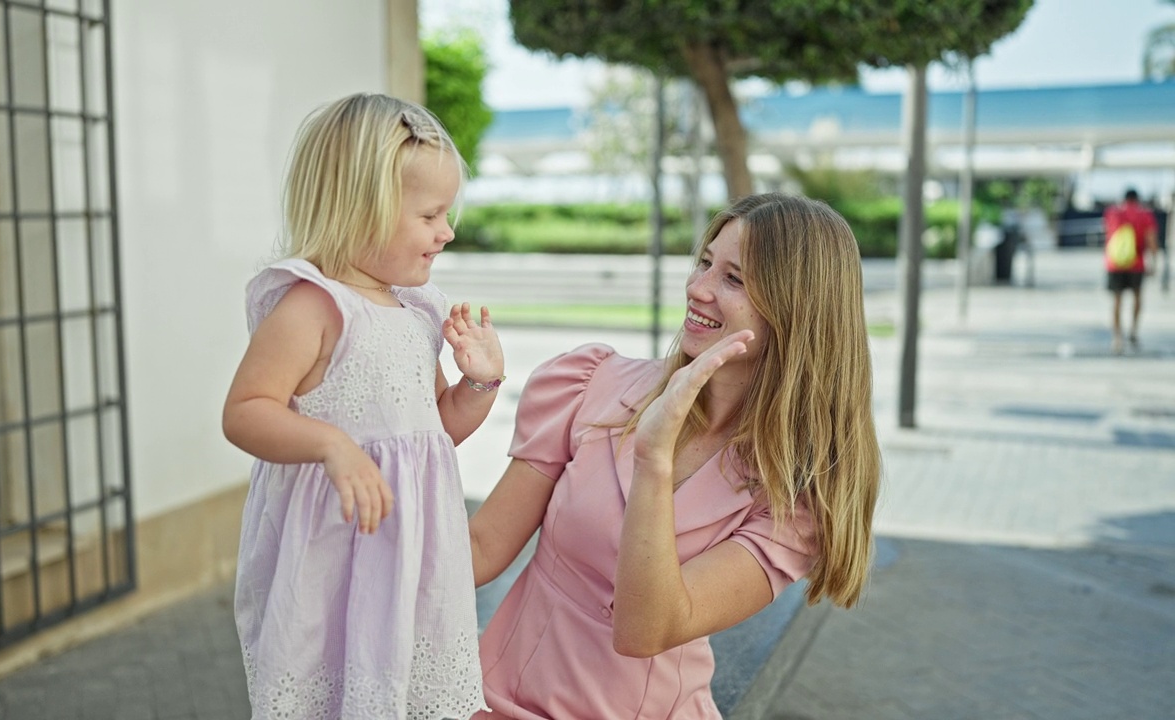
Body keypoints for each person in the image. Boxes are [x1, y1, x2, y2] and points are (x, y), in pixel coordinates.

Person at [467, 193, 881, 719]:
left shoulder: (795, 499)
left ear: (796, 309)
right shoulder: (590, 383)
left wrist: (653, 459)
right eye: (705, 263)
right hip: (491, 697)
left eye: (733, 278)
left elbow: (648, 630)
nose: (697, 288)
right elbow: (481, 547)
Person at [223, 93, 501, 720]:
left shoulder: (417, 311)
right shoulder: (313, 307)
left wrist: (478, 385)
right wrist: (331, 443)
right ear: (361, 211)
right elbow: (245, 410)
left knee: (405, 693)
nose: (447, 231)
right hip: (330, 561)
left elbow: (436, 430)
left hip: (409, 566)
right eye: (430, 214)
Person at [1103, 188, 1159, 353]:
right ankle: (1133, 331)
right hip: (1137, 263)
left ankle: (1117, 337)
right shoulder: (1145, 215)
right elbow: (1151, 240)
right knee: (1137, 298)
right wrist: (1154, 262)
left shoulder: (1113, 213)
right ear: (1137, 199)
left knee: (1117, 301)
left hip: (1115, 263)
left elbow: (1109, 236)